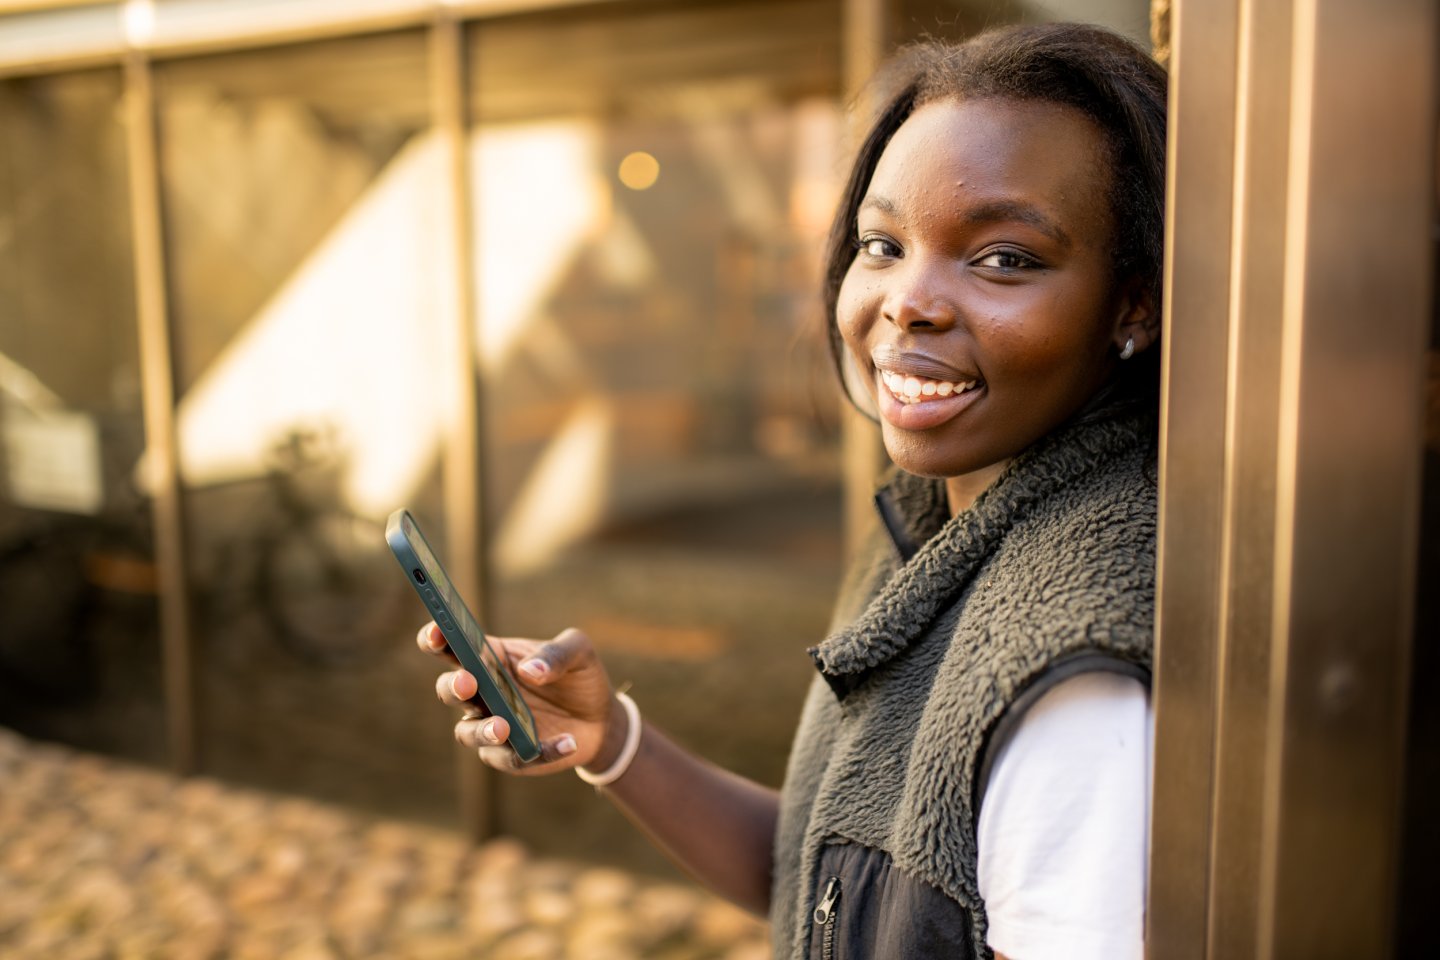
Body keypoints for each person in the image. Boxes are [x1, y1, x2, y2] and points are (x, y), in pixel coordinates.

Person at [418, 21, 1166, 960]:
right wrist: (610, 740)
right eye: (882, 243)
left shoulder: (1072, 675)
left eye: (1003, 258)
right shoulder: (937, 526)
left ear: (1132, 303)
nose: (907, 301)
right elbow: (831, 886)